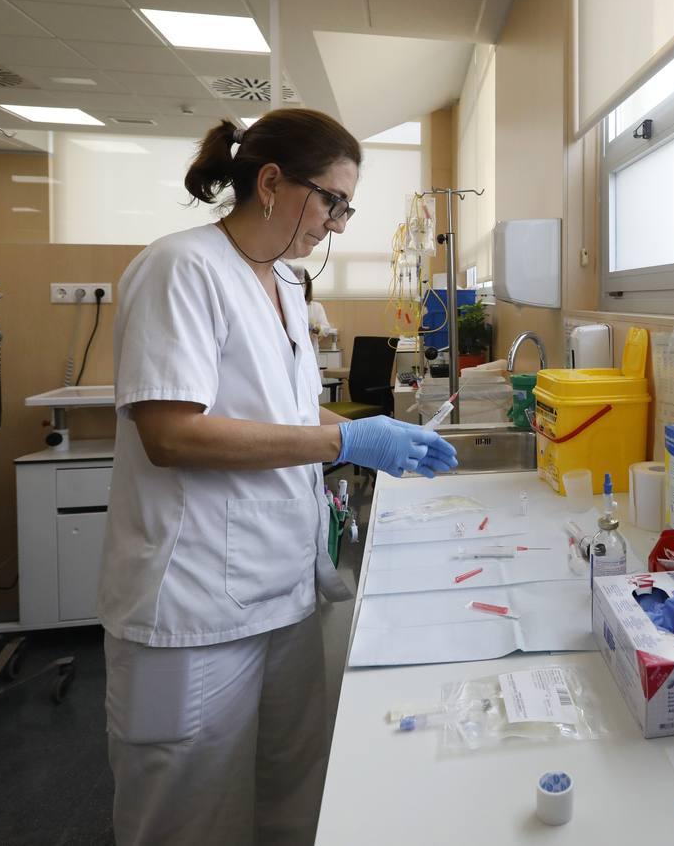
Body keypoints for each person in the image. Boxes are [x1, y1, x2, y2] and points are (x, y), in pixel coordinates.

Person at [99, 108, 457, 846]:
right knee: (191, 818)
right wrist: (345, 437)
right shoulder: (182, 268)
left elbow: (281, 418)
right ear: (270, 182)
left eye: (345, 205)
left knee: (295, 800)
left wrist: (347, 444)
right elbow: (170, 434)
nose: (338, 223)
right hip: (195, 605)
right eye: (332, 200)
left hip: (284, 586)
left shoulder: (286, 284)